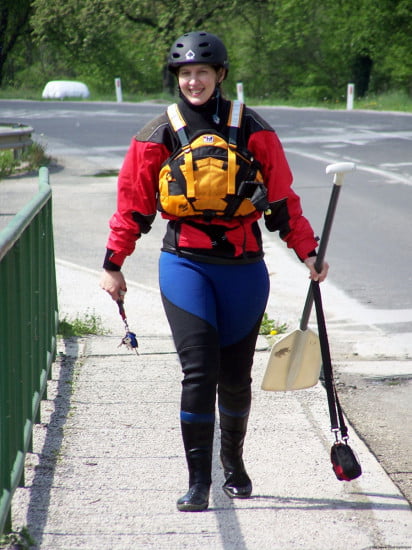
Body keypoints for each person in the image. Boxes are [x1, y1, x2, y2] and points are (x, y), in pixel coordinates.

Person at [100, 30, 328, 512]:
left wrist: (307, 252)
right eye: (185, 74)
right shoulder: (155, 134)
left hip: (244, 268)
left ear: (221, 75)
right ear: (176, 79)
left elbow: (283, 200)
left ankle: (234, 464)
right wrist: (113, 263)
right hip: (185, 264)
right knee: (198, 372)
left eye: (203, 72)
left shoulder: (255, 130)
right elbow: (133, 205)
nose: (194, 81)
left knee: (236, 375)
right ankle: (198, 480)